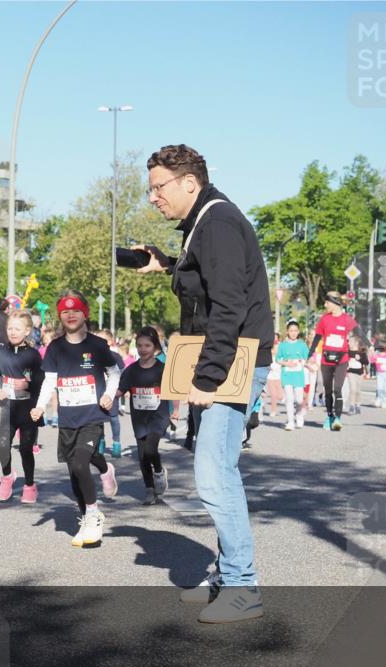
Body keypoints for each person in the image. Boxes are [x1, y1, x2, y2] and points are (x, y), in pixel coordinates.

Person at [135, 144, 272, 623]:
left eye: (159, 187)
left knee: (215, 474)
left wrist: (209, 377)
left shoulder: (215, 223)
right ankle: (228, 576)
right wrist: (169, 265)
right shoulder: (205, 224)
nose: (153, 197)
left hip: (231, 363)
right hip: (224, 361)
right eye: (150, 188)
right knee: (217, 468)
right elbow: (210, 287)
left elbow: (230, 306)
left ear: (188, 182)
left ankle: (242, 587)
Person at [30, 292, 119, 546]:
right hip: (67, 419)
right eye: (65, 311)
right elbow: (49, 381)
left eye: (76, 310)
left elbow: (114, 374)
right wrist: (39, 407)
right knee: (74, 474)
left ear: (85, 313)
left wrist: (109, 395)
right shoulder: (55, 348)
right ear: (60, 315)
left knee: (80, 465)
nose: (70, 315)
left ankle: (94, 516)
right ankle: (89, 513)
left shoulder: (97, 346)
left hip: (92, 415)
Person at [0, 310, 43, 503]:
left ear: (27, 330)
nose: (13, 332)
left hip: (28, 408)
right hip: (8, 408)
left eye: (17, 329)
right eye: (10, 328)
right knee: (2, 445)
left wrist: (27, 385)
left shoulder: (33, 355)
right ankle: (7, 476)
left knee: (26, 448)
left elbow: (40, 382)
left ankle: (29, 484)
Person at [116, 327, 170, 505]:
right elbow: (120, 390)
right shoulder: (131, 370)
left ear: (155, 346)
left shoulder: (162, 369)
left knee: (150, 450)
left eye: (147, 345)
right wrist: (108, 395)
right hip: (139, 418)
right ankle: (149, 489)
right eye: (139, 345)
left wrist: (176, 411)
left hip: (158, 416)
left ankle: (159, 471)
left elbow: (173, 391)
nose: (143, 349)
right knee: (142, 456)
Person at [306, 291, 364, 432]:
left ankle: (337, 419)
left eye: (327, 302)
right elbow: (317, 338)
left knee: (337, 389)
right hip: (326, 360)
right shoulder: (324, 319)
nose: (325, 305)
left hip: (342, 360)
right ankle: (330, 416)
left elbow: (359, 333)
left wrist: (372, 346)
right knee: (328, 391)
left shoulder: (347, 319)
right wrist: (309, 354)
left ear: (334, 302)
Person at [275, 320, 309, 430]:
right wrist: (286, 363)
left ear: (298, 332)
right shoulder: (283, 345)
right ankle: (290, 422)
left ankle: (299, 414)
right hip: (287, 374)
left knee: (299, 399)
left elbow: (307, 358)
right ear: (287, 332)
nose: (293, 333)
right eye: (291, 331)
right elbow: (277, 359)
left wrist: (302, 362)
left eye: (295, 331)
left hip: (298, 375)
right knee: (289, 399)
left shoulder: (302, 345)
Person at [96, 329, 125, 458]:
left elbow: (122, 373)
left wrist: (121, 389)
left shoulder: (115, 356)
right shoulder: (92, 356)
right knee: (99, 419)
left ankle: (116, 443)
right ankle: (101, 442)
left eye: (101, 339)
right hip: (97, 392)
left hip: (112, 392)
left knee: (113, 418)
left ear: (110, 342)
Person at [345, 335, 368, 416]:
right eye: (348, 341)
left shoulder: (361, 352)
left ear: (356, 343)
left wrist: (360, 359)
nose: (348, 343)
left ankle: (357, 405)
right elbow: (344, 361)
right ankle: (351, 406)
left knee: (358, 391)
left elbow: (366, 362)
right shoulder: (347, 352)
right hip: (351, 372)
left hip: (359, 373)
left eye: (350, 342)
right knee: (353, 389)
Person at [372, 341, 386, 409]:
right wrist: (372, 353)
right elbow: (372, 360)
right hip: (380, 373)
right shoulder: (377, 355)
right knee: (379, 387)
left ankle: (385, 401)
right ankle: (379, 398)